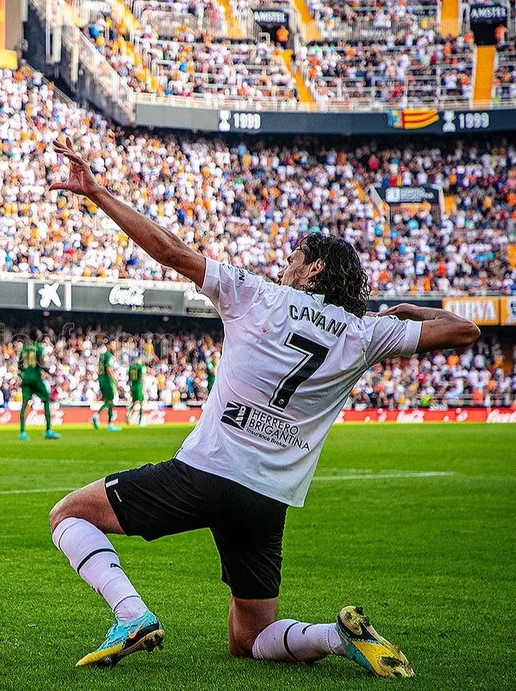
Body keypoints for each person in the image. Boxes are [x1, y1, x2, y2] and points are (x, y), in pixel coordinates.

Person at [46, 138, 480, 675]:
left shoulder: (254, 294)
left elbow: (168, 249)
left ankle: (131, 613)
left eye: (295, 257)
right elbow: (465, 330)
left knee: (68, 513)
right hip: (268, 499)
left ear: (314, 269)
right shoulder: (365, 334)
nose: (286, 263)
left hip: (205, 472)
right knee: (249, 638)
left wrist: (100, 193)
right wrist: (408, 310)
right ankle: (335, 637)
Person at [19, 329, 62, 441]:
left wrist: (26, 372)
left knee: (24, 405)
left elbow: (19, 365)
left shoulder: (24, 348)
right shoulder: (39, 348)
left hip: (26, 379)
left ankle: (22, 432)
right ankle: (48, 431)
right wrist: (49, 370)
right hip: (36, 379)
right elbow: (41, 363)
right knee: (46, 401)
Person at [91, 337, 121, 432]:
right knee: (110, 402)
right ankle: (108, 423)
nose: (115, 346)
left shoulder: (102, 356)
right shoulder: (109, 356)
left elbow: (99, 370)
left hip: (102, 381)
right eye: (114, 345)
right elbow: (109, 370)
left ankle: (102, 419)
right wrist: (116, 382)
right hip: (108, 382)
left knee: (108, 402)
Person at [127, 355, 146, 426]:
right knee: (141, 403)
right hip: (138, 386)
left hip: (132, 386)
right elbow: (142, 377)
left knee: (133, 402)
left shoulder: (131, 367)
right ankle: (140, 421)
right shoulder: (140, 367)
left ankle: (128, 413)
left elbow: (129, 379)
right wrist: (143, 388)